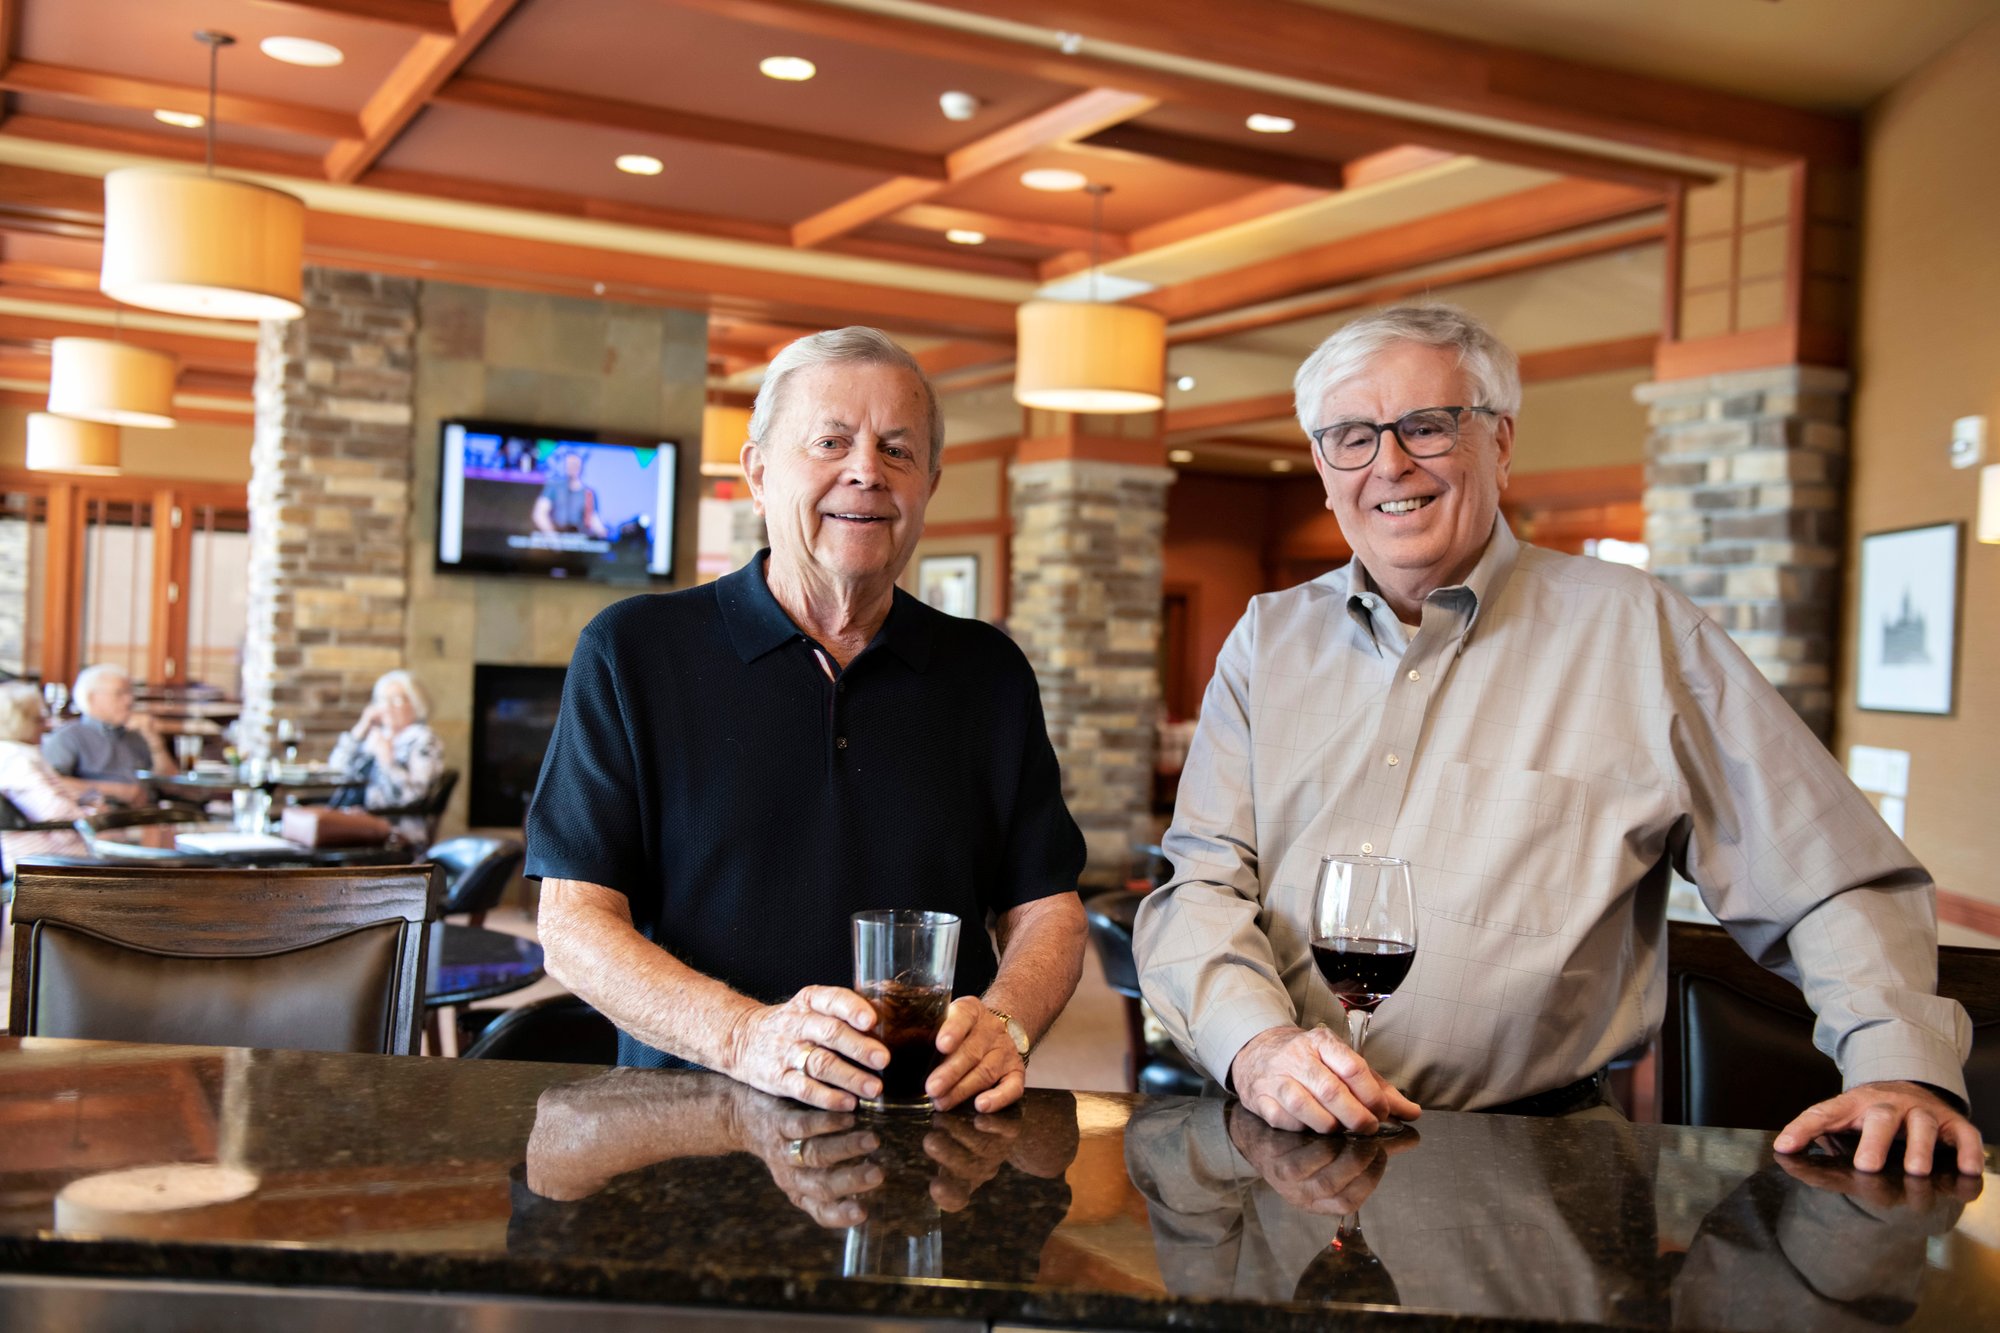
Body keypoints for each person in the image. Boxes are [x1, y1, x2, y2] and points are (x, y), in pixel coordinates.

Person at [1134, 303, 1979, 1175]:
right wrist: (1259, 1045)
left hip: (1538, 1168)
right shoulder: (1267, 639)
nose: (1388, 462)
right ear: (1321, 464)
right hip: (1282, 1148)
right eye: (1351, 435)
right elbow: (1199, 883)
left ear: (1498, 442)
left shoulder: (1642, 633)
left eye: (1426, 427)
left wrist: (1897, 1068)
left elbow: (1830, 877)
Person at [526, 326, 1087, 1115]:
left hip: (929, 1146)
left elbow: (1047, 909)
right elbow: (574, 922)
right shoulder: (632, 651)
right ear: (758, 472)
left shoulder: (988, 672)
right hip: (691, 1138)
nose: (866, 471)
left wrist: (1008, 1022)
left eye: (898, 450)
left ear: (929, 480)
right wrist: (745, 1036)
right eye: (830, 441)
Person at [328, 669, 446, 842]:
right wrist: (360, 729)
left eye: (397, 700)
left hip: (395, 829)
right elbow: (336, 770)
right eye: (382, 700)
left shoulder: (423, 740)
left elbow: (412, 797)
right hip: (356, 819)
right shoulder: (376, 736)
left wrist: (387, 761)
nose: (388, 707)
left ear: (415, 704)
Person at [41, 663, 175, 806]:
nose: (129, 701)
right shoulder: (69, 737)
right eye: (120, 694)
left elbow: (170, 785)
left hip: (148, 815)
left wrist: (154, 740)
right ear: (92, 698)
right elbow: (51, 783)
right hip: (101, 816)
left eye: (130, 693)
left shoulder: (136, 735)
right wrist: (118, 791)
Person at [0, 680, 90, 868]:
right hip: (47, 862)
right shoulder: (16, 761)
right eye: (39, 718)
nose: (47, 724)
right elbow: (58, 819)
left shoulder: (15, 754)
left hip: (52, 855)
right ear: (21, 722)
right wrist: (94, 819)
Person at [531, 448, 609, 538]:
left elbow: (593, 519)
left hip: (579, 541)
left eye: (575, 465)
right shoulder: (554, 487)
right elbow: (539, 513)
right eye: (569, 464)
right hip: (555, 540)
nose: (572, 467)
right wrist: (552, 536)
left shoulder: (589, 493)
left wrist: (604, 534)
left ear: (581, 466)